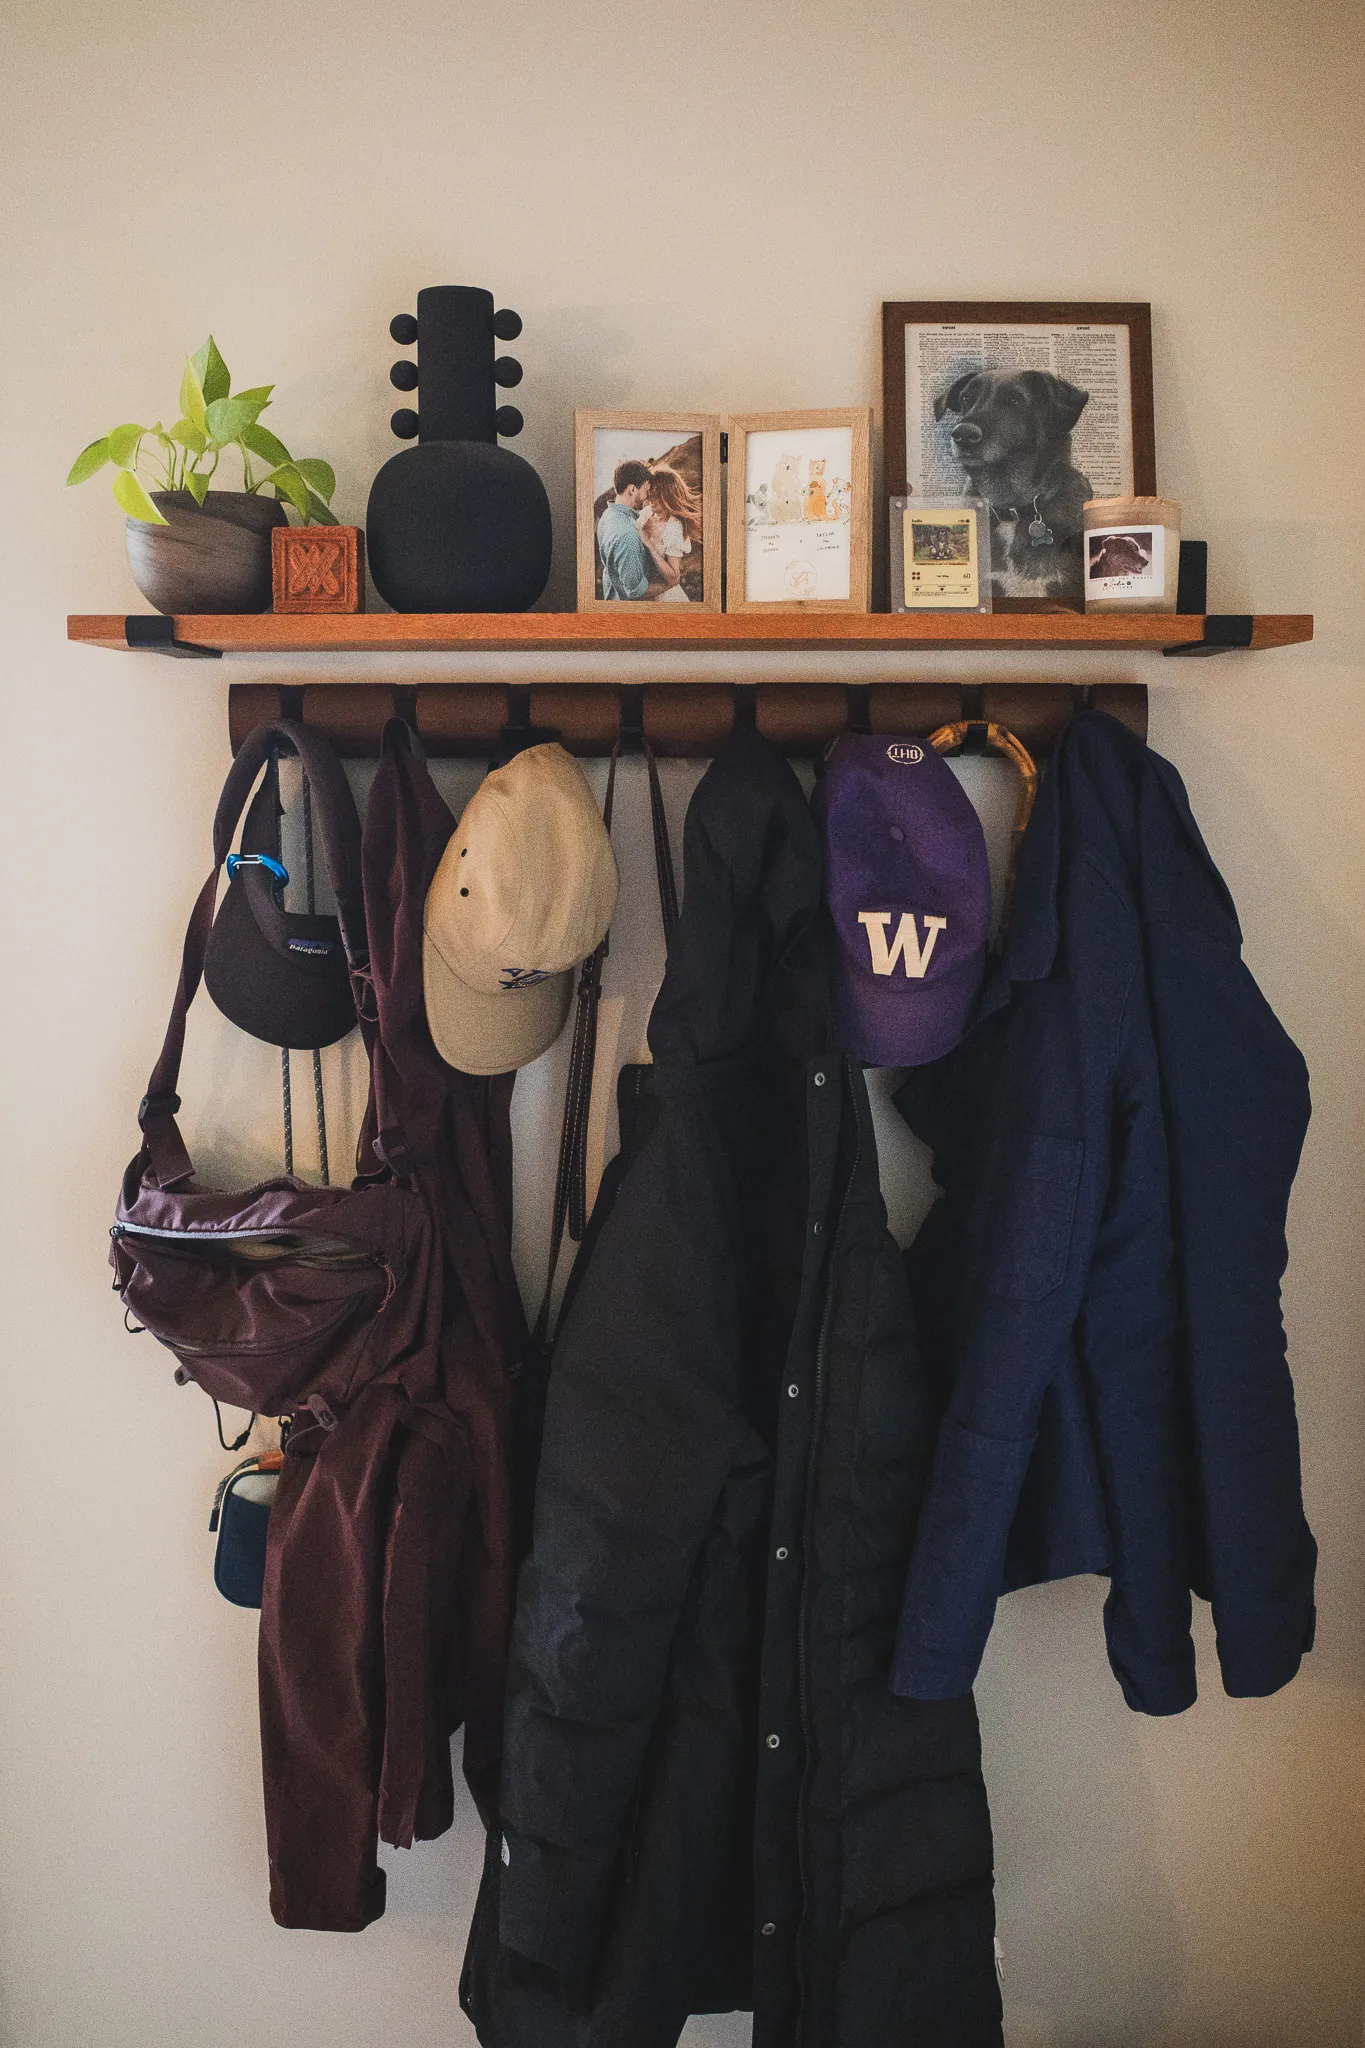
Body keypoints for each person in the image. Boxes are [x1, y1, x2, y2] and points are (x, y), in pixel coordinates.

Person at [595, 460, 679, 600]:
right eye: (646, 491)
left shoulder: (607, 516)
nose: (647, 497)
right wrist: (668, 585)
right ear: (633, 489)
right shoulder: (628, 534)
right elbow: (636, 591)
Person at [639, 463, 701, 604]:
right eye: (651, 493)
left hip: (665, 598)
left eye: (657, 495)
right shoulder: (646, 514)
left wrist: (648, 544)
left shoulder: (674, 527)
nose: (651, 500)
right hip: (643, 594)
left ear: (668, 495)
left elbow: (674, 578)